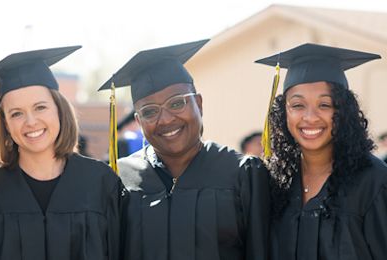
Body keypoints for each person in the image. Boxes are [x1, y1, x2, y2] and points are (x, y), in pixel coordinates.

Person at [100, 39, 270, 260]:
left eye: (177, 103)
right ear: (138, 121)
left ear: (199, 104)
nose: (166, 119)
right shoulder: (119, 178)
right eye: (150, 112)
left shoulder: (242, 174)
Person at [0, 46, 126, 260]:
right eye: (16, 113)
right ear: (5, 123)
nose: (30, 122)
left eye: (40, 107)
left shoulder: (101, 182)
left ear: (60, 110)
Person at [256, 43, 387, 260]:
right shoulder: (276, 183)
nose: (310, 117)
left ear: (343, 111)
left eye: (325, 105)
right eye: (298, 105)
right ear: (283, 113)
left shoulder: (374, 182)